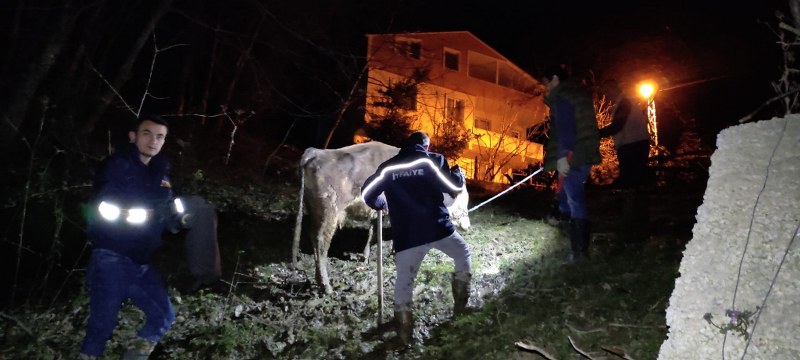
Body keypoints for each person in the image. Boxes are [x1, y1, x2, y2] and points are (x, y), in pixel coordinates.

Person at [80, 114, 220, 359]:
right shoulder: (117, 166)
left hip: (141, 262)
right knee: (102, 325)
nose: (153, 140)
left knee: (163, 315)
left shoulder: (161, 170)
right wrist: (155, 213)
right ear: (133, 136)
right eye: (147, 133)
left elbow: (166, 212)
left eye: (160, 136)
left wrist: (180, 219)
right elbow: (110, 207)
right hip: (112, 257)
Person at [361, 131, 471, 346]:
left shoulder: (388, 168)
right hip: (437, 229)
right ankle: (460, 306)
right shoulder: (433, 161)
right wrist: (459, 174)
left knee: (404, 282)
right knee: (463, 253)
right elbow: (455, 188)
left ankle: (404, 336)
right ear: (426, 145)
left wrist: (380, 204)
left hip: (407, 235)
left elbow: (367, 193)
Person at [540, 65, 601, 261]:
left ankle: (579, 251)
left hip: (572, 155)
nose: (546, 88)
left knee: (574, 198)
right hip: (583, 154)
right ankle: (566, 243)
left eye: (547, 83)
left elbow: (566, 128)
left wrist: (563, 156)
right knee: (566, 197)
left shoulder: (563, 97)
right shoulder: (578, 95)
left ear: (555, 79)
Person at [598, 79, 651, 189]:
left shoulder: (624, 103)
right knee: (632, 178)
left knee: (630, 180)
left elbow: (617, 126)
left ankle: (632, 201)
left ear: (614, 89)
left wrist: (597, 134)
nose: (606, 95)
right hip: (634, 143)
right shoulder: (625, 102)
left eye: (607, 91)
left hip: (632, 144)